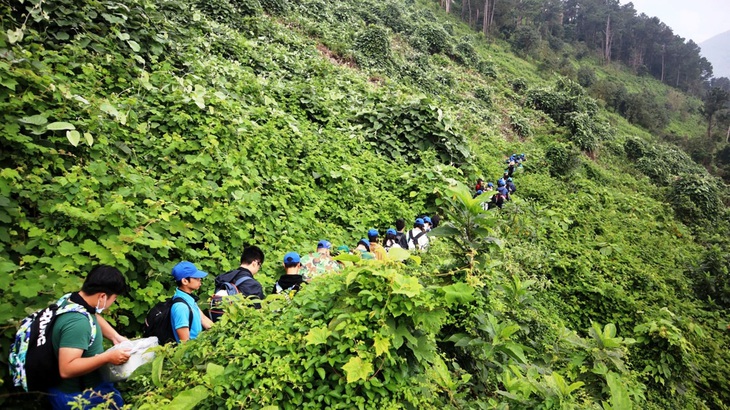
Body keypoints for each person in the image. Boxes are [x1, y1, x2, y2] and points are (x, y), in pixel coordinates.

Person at [48, 265, 130, 410]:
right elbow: (66, 369)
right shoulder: (77, 323)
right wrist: (107, 357)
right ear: (103, 296)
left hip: (86, 386)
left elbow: (92, 314)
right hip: (76, 396)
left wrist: (115, 336)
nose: (113, 303)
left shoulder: (72, 300)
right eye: (114, 298)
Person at [170, 261, 214, 343]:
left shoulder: (188, 299)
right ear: (184, 281)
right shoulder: (181, 307)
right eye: (196, 278)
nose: (200, 280)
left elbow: (204, 319)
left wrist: (221, 332)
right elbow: (185, 343)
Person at [214, 245, 265, 310]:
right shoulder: (254, 286)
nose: (258, 269)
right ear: (254, 263)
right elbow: (256, 313)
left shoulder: (223, 277)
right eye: (259, 265)